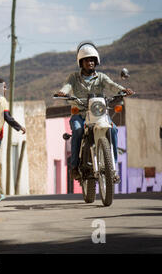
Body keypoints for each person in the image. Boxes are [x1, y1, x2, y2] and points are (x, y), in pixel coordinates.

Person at [56, 41, 134, 180]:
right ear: (81, 62)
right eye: (86, 60)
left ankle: (113, 168)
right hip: (80, 114)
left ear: (96, 61)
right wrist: (62, 92)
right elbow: (67, 86)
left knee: (113, 130)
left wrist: (123, 90)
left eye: (92, 60)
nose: (90, 62)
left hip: (99, 114)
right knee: (78, 131)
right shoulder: (73, 77)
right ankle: (74, 167)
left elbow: (112, 85)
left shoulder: (101, 77)